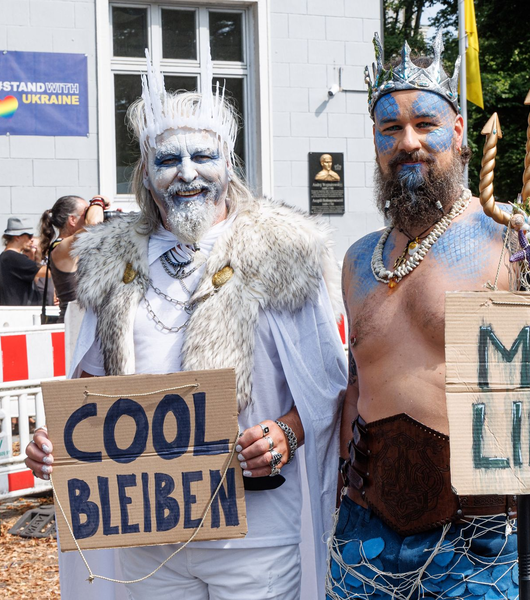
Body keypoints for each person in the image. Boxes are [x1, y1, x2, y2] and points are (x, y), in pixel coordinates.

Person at [25, 50, 346, 600]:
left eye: (203, 155)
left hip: (257, 537)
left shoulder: (283, 251)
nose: (187, 172)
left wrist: (284, 434)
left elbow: (328, 386)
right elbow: (92, 388)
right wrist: (57, 440)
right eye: (168, 159)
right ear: (146, 177)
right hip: (147, 539)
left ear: (229, 165)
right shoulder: (110, 263)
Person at [328, 33, 530, 600]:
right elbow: (354, 383)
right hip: (364, 526)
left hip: (479, 533)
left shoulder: (512, 239)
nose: (409, 142)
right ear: (375, 142)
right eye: (390, 129)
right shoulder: (357, 260)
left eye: (426, 124)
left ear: (460, 134)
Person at [38, 195, 106, 321]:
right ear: (72, 220)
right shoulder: (61, 247)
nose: (90, 214)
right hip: (73, 327)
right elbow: (93, 225)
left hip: (84, 324)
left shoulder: (80, 246)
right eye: (86, 212)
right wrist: (98, 202)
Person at [0, 217, 47, 305]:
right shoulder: (12, 257)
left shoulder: (7, 257)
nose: (31, 239)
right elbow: (46, 272)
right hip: (21, 315)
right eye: (29, 236)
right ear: (17, 237)